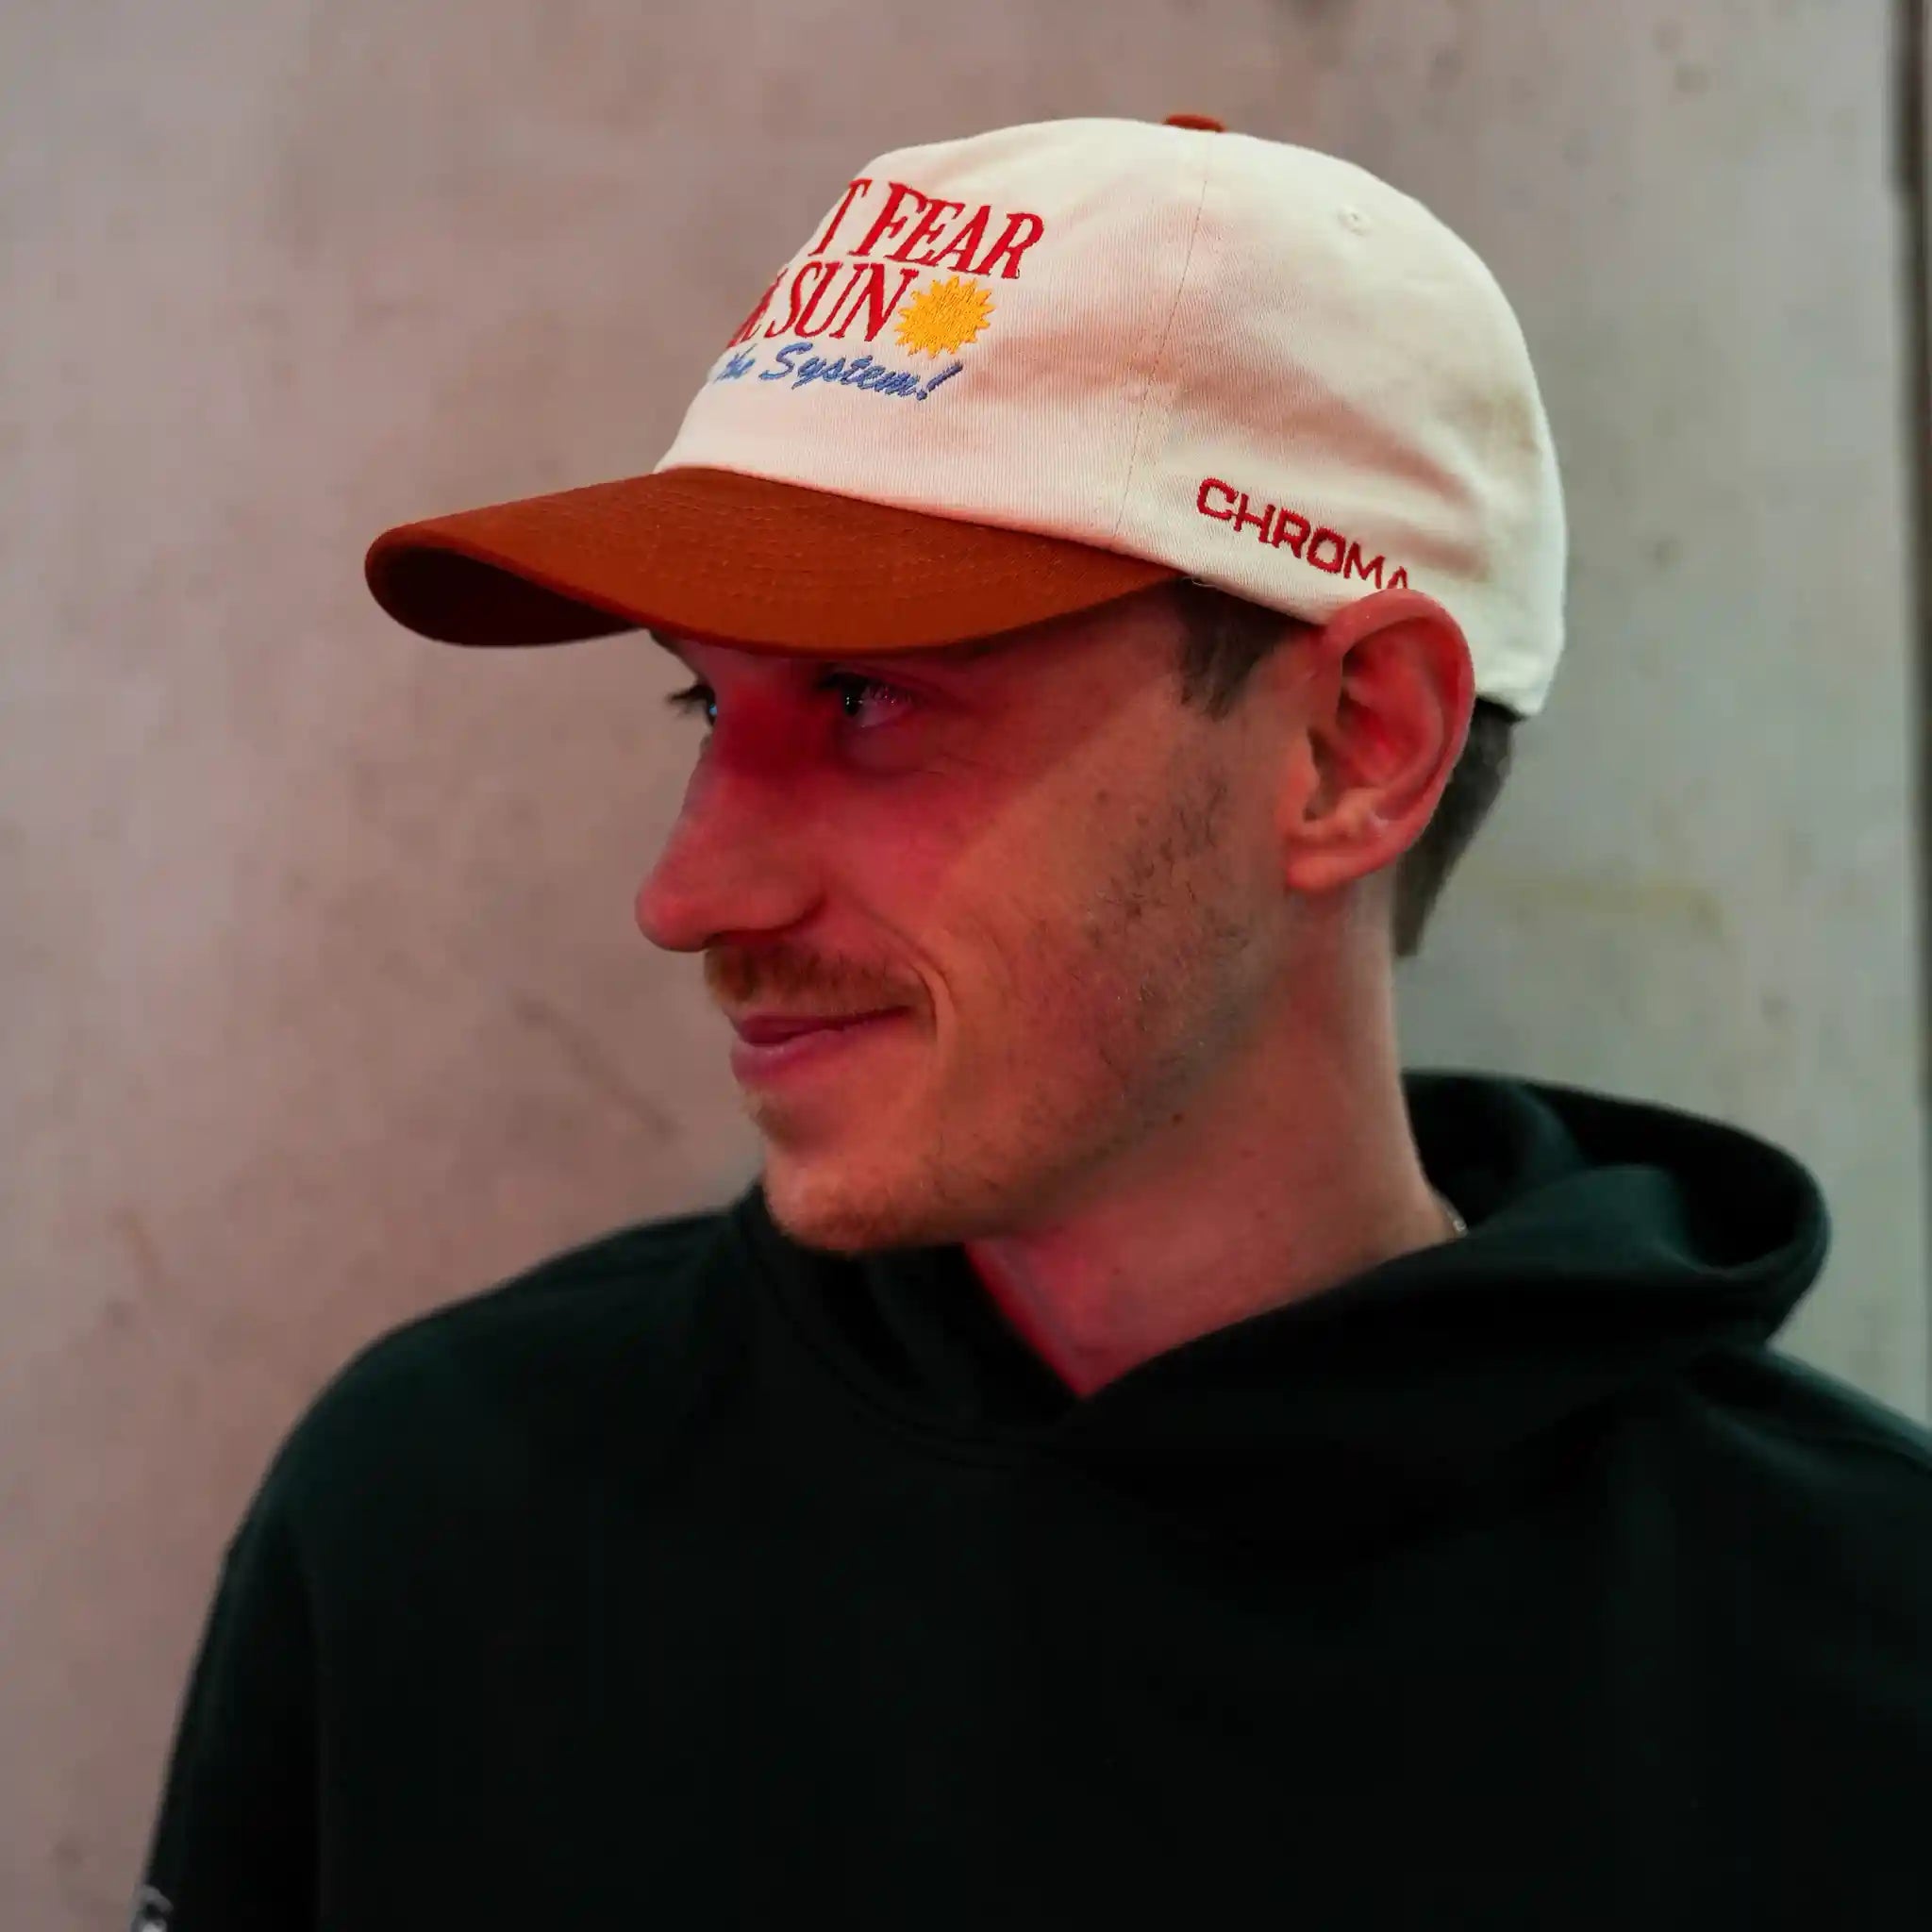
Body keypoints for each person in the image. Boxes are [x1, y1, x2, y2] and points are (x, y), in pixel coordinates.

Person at [133, 114, 1931, 1929]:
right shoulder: (445, 1519)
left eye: (863, 702)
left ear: (1351, 746)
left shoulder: (1856, 1654)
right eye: (704, 706)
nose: (687, 897)